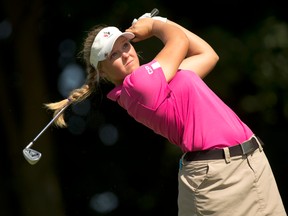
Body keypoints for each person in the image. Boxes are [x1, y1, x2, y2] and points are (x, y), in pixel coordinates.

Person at [44, 11, 287, 216]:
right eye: (114, 55)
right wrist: (155, 26)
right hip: (222, 179)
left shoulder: (159, 80)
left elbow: (207, 55)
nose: (126, 54)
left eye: (125, 45)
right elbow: (178, 42)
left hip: (246, 165)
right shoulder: (138, 85)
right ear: (103, 73)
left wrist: (164, 24)